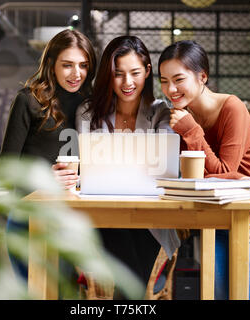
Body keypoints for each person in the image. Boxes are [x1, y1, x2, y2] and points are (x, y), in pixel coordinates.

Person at [158, 40, 250, 300]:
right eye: (164, 81)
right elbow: (192, 175)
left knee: (244, 297)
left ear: (202, 76)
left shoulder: (232, 107)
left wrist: (190, 130)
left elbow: (225, 171)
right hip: (215, 216)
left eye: (179, 79)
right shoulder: (183, 116)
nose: (171, 89)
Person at [76, 35, 181, 296]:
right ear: (108, 75)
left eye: (135, 72)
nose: (127, 82)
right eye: (118, 74)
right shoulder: (88, 112)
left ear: (147, 71)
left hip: (149, 220)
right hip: (100, 216)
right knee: (130, 276)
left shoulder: (161, 112)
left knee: (130, 266)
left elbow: (164, 166)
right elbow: (85, 167)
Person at [0, 29, 96, 281]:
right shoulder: (28, 101)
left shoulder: (94, 105)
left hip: (75, 219)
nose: (77, 74)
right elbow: (6, 170)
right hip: (30, 215)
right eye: (68, 65)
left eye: (83, 65)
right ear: (51, 64)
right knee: (34, 290)